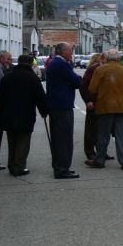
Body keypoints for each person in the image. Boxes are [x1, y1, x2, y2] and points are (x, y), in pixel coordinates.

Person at [0, 54, 48, 176]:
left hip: (9, 114)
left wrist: (2, 112)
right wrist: (44, 111)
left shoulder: (7, 77)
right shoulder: (32, 78)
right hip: (26, 114)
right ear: (31, 64)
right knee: (23, 141)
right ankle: (19, 167)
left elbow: (0, 96)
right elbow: (40, 97)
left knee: (12, 141)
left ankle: (11, 164)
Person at [86, 49, 123, 170]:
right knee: (122, 136)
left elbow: (92, 88)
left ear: (107, 58)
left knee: (103, 135)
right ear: (118, 58)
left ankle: (100, 160)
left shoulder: (100, 70)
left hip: (105, 107)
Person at [46, 43, 82, 179]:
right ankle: (62, 169)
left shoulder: (54, 63)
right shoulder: (62, 64)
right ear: (63, 52)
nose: (72, 53)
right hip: (62, 106)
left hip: (56, 105)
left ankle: (59, 167)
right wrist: (73, 81)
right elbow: (77, 82)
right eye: (70, 51)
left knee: (58, 139)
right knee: (64, 139)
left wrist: (71, 82)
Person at [79, 53, 107, 162]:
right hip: (93, 103)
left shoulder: (106, 69)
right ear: (102, 59)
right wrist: (88, 101)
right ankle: (90, 152)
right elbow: (83, 86)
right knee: (91, 130)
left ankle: (101, 151)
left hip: (104, 104)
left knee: (102, 130)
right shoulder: (93, 69)